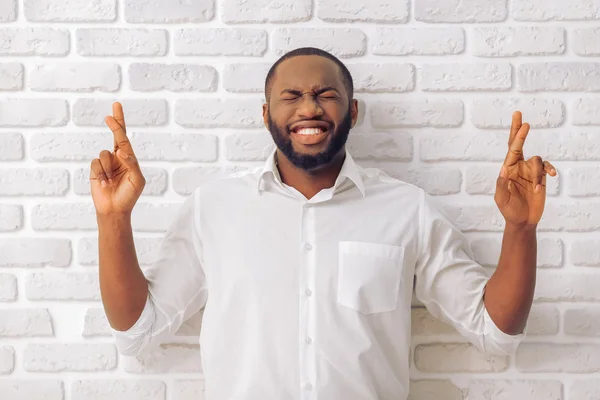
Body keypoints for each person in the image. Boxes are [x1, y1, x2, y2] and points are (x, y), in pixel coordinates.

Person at [91, 47, 557, 400]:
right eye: (290, 96)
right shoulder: (213, 207)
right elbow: (138, 332)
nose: (309, 108)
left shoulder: (407, 210)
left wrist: (520, 229)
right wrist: (114, 218)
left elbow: (494, 332)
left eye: (326, 95)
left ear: (352, 112)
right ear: (265, 114)